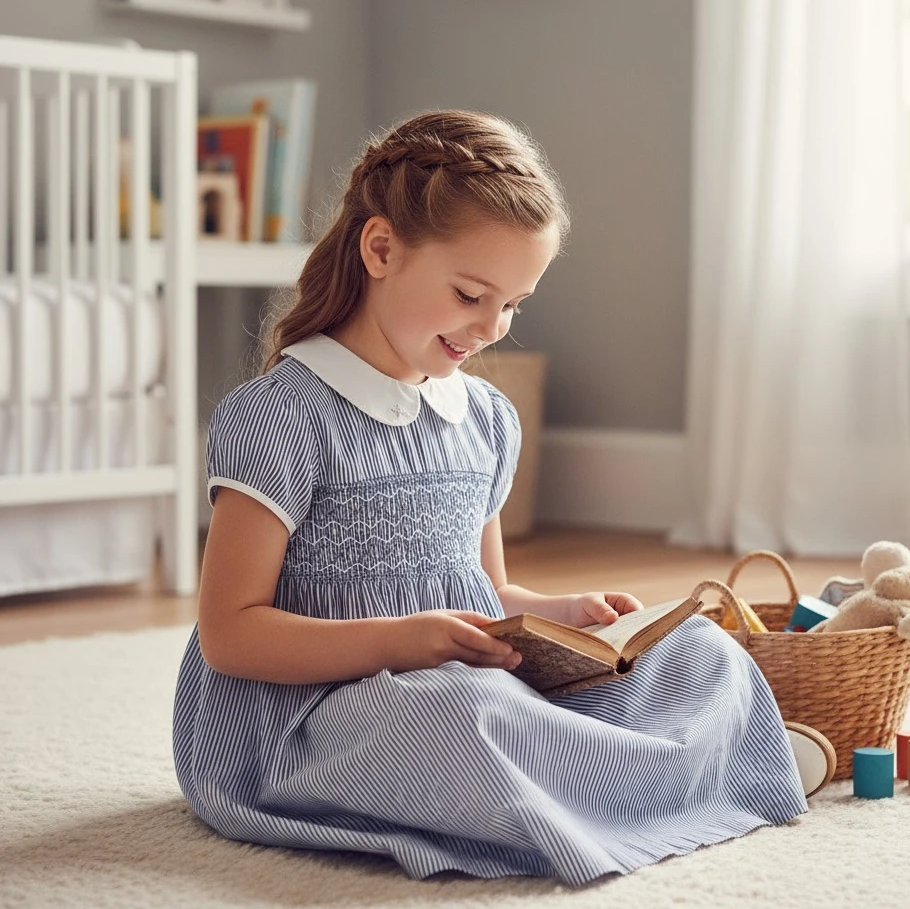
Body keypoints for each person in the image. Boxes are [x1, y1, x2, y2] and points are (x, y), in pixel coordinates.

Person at [172, 110, 810, 886]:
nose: (491, 327)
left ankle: (645, 786)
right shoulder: (282, 417)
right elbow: (230, 635)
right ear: (380, 248)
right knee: (467, 719)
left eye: (513, 305)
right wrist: (401, 642)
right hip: (316, 719)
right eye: (472, 294)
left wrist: (567, 614)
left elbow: (490, 590)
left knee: (702, 655)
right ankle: (668, 781)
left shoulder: (483, 419)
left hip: (464, 676)